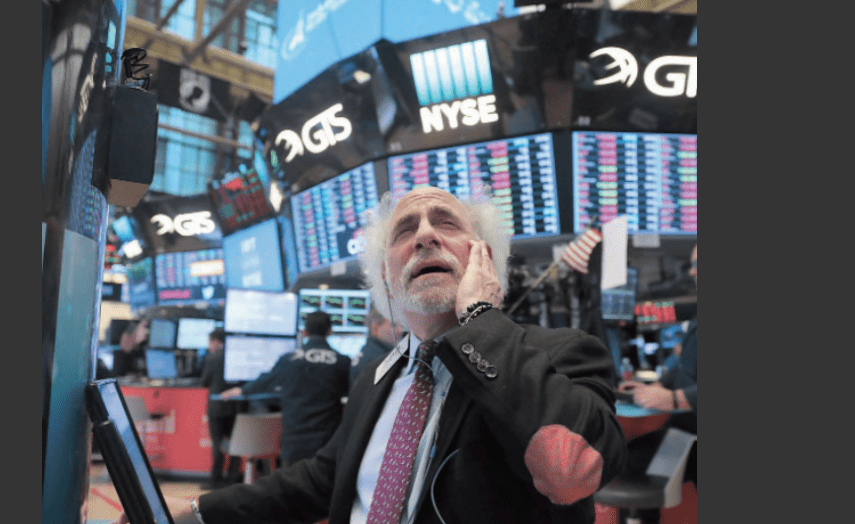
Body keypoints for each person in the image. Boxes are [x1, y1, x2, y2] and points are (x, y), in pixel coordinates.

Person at [118, 185, 625, 524]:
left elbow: (568, 473)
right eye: (405, 231)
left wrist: (480, 318)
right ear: (386, 275)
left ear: (484, 257)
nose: (424, 235)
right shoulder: (380, 377)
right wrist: (197, 511)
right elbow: (323, 480)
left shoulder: (561, 354)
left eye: (445, 223)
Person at [616, 244, 697, 523]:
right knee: (626, 461)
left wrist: (675, 399)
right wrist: (659, 387)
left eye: (697, 265)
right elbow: (688, 366)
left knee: (627, 466)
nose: (692, 272)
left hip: (693, 436)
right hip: (684, 431)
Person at [220, 310, 351, 467]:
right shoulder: (342, 362)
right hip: (328, 444)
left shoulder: (289, 360)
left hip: (295, 443)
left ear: (304, 332)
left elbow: (267, 380)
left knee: (292, 481)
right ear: (330, 331)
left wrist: (242, 390)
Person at [198, 329, 244, 488]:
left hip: (217, 409)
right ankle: (232, 479)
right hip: (235, 407)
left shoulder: (212, 358)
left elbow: (204, 382)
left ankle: (215, 481)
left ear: (216, 342)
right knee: (234, 445)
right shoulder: (237, 357)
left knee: (217, 446)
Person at [349, 305, 402, 387]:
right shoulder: (380, 359)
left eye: (401, 325)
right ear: (375, 329)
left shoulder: (368, 353)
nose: (400, 330)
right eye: (393, 325)